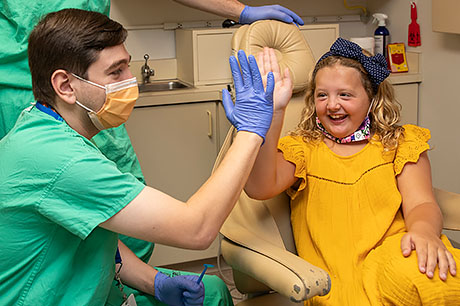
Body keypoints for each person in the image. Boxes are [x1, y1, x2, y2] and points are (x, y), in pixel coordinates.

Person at [0, 1, 302, 305]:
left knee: (213, 293)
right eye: (115, 72)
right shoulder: (60, 160)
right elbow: (196, 229)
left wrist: (153, 281)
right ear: (66, 85)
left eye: (127, 66)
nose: (129, 82)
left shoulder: (42, 123)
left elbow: (93, 230)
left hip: (85, 285)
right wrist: (251, 132)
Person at [244, 40, 460, 305]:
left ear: (372, 98)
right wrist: (275, 113)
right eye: (322, 95)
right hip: (339, 281)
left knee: (442, 285)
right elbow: (258, 187)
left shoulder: (399, 143)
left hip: (397, 257)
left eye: (345, 95)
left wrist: (425, 233)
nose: (332, 104)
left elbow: (422, 203)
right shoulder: (304, 148)